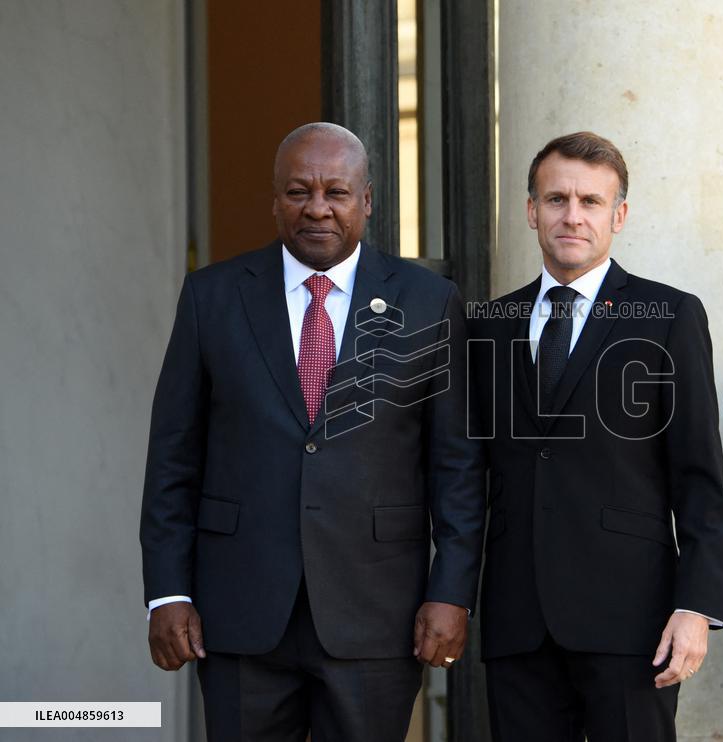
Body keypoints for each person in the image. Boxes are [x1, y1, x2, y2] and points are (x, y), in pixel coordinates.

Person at [140, 122, 485, 741]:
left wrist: (452, 591)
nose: (318, 208)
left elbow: (455, 465)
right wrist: (166, 593)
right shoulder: (212, 296)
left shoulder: (430, 302)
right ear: (275, 200)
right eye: (299, 192)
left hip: (376, 613)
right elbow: (173, 459)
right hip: (240, 611)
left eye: (337, 192)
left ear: (368, 201)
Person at [468, 131, 723, 742]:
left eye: (590, 201)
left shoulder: (669, 316)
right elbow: (465, 475)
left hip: (632, 620)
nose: (572, 215)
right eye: (556, 198)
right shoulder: (488, 324)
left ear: (619, 215)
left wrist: (696, 608)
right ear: (532, 211)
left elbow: (699, 478)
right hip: (518, 620)